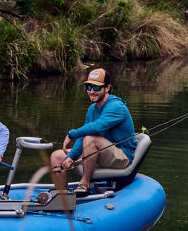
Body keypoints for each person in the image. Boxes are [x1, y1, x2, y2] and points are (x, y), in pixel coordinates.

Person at [50, 68, 136, 196]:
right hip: (98, 152)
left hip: (122, 156)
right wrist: (71, 157)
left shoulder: (116, 106)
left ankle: (84, 183)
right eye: (89, 87)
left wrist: (71, 134)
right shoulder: (92, 109)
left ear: (107, 88)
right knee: (56, 156)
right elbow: (84, 136)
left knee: (90, 139)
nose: (91, 91)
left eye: (96, 88)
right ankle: (60, 196)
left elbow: (97, 127)